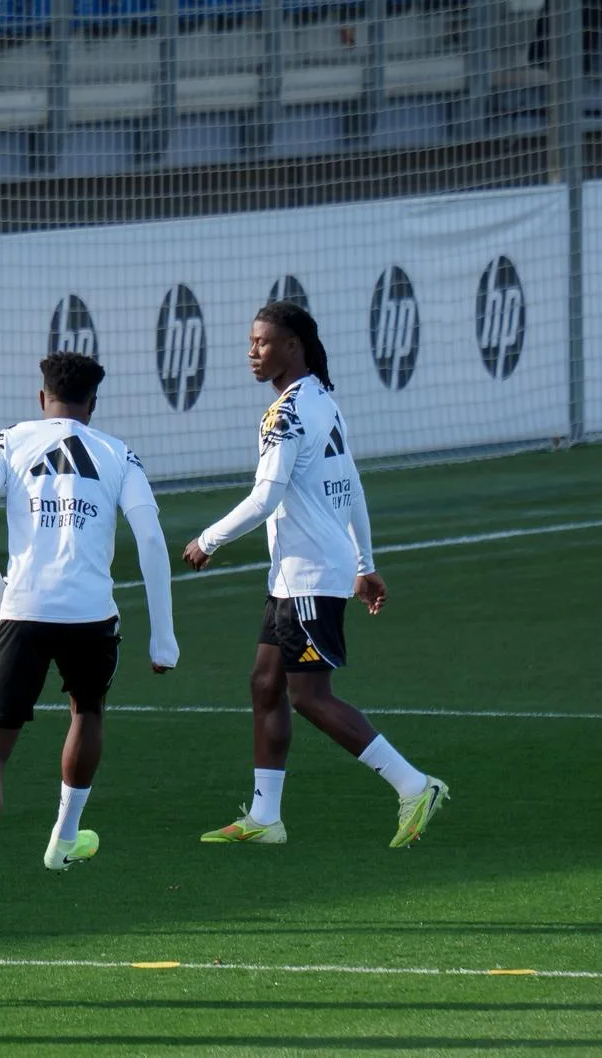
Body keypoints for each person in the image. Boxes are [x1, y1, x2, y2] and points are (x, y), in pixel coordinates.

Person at [183, 301, 448, 848]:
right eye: (251, 342)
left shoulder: (286, 414)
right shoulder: (322, 400)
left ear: (293, 346)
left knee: (308, 695)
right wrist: (365, 564)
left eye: (262, 342)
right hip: (298, 574)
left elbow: (266, 496)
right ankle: (265, 817)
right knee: (265, 683)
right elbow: (351, 486)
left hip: (308, 574)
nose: (252, 352)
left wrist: (209, 539)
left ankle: (414, 784)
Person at [0, 353, 179, 934]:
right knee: (87, 711)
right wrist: (163, 638)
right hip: (92, 615)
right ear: (92, 404)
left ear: (42, 397)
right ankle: (64, 839)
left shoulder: (10, 440)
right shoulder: (118, 453)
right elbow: (151, 539)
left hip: (23, 610)